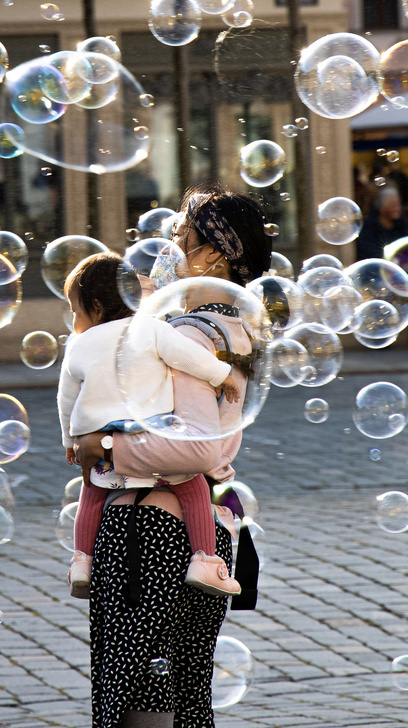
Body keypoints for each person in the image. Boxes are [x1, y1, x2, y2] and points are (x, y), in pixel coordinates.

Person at [71, 184, 271, 728]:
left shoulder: (186, 334)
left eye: (182, 237)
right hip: (209, 533)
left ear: (213, 256)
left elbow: (194, 444)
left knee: (130, 703)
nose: (170, 247)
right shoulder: (241, 327)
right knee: (186, 704)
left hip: (151, 534)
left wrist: (105, 444)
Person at [57, 251, 241, 599]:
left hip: (99, 441)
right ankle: (205, 560)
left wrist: (71, 439)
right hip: (148, 431)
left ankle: (82, 560)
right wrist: (222, 375)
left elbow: (66, 398)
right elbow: (188, 356)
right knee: (194, 487)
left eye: (75, 310)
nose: (74, 318)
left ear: (95, 306)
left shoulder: (78, 345)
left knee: (92, 492)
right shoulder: (152, 329)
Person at [356, 186, 408, 347]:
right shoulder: (370, 225)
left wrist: (406, 262)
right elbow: (368, 251)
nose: (397, 208)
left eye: (398, 204)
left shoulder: (403, 223)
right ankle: (380, 334)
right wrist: (392, 261)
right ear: (382, 208)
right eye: (393, 205)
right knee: (381, 291)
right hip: (378, 273)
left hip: (401, 272)